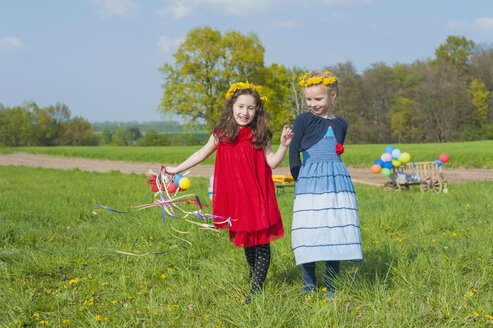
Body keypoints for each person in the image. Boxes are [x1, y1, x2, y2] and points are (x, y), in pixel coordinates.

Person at [166, 81, 293, 303]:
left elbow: (272, 163)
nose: (245, 112)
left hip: (257, 196)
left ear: (257, 110)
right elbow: (201, 154)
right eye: (241, 106)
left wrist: (283, 145)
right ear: (232, 106)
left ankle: (256, 291)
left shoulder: (260, 133)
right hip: (236, 198)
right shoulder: (222, 133)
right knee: (246, 240)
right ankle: (255, 279)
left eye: (251, 108)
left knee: (261, 241)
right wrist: (177, 169)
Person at [289, 70, 363, 296]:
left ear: (333, 95)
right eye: (308, 99)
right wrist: (299, 178)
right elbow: (294, 153)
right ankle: (309, 283)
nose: (312, 104)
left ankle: (331, 284)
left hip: (336, 184)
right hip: (310, 183)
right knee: (311, 230)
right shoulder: (303, 120)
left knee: (334, 230)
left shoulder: (342, 124)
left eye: (318, 99)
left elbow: (336, 151)